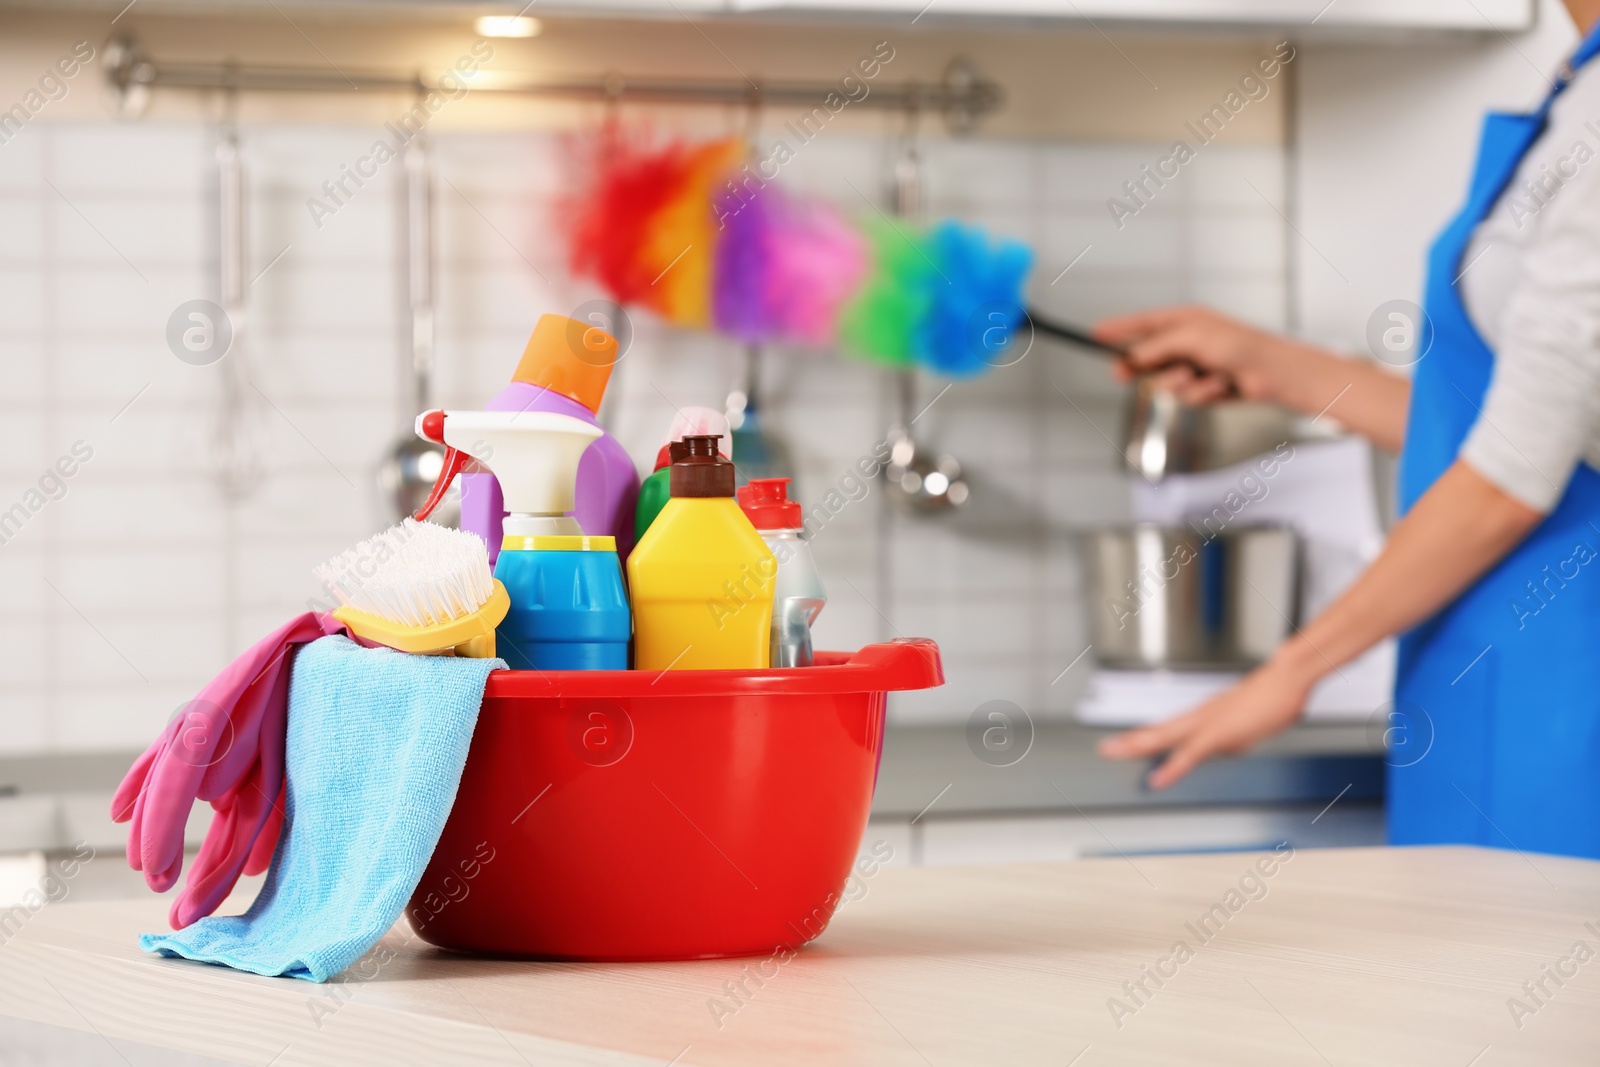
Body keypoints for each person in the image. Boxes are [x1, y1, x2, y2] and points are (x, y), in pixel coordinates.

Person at [1093, 0, 1600, 861]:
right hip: (1484, 672)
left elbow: (1509, 479)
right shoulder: (1573, 88)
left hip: (1564, 690)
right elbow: (1500, 428)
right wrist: (1275, 366)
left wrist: (1294, 668)